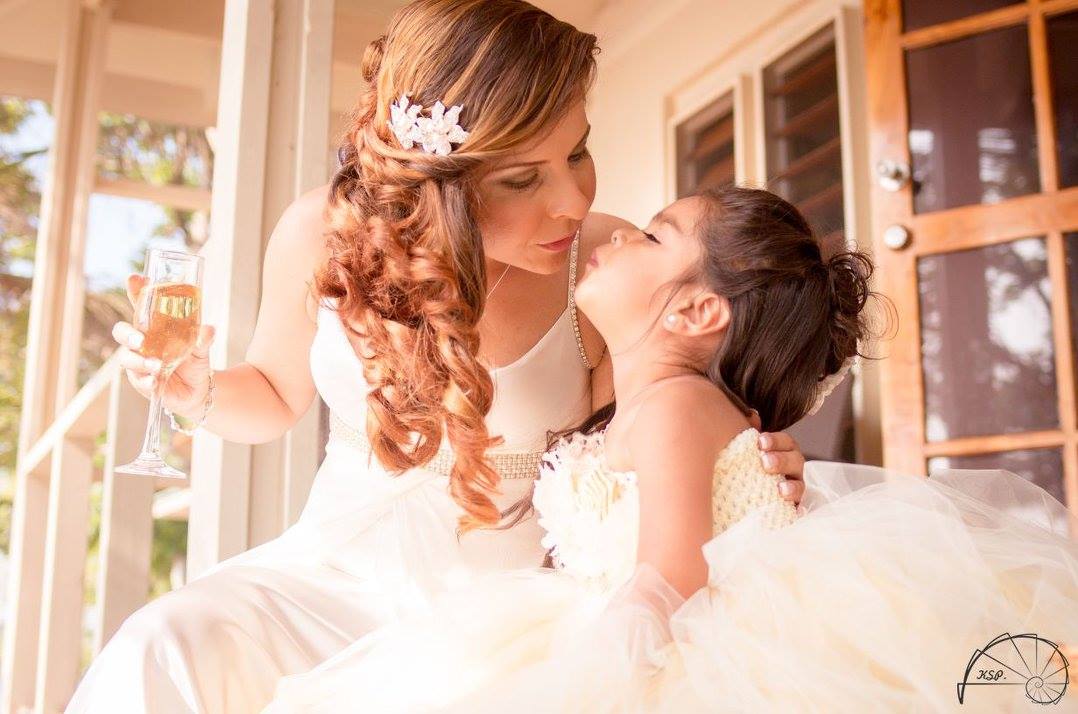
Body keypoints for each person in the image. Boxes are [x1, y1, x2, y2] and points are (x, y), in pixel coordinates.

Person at [67, 2, 809, 712]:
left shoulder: (599, 262)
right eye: (523, 178)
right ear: (439, 184)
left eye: (578, 151)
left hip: (499, 617)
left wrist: (755, 458)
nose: (574, 202)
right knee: (163, 643)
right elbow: (271, 394)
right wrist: (198, 390)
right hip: (316, 582)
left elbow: (681, 393)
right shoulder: (318, 234)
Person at [266, 186, 1078, 713]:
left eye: (650, 237)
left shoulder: (676, 407)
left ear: (694, 312)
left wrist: (596, 674)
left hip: (684, 643)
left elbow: (675, 570)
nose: (612, 239)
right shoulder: (643, 405)